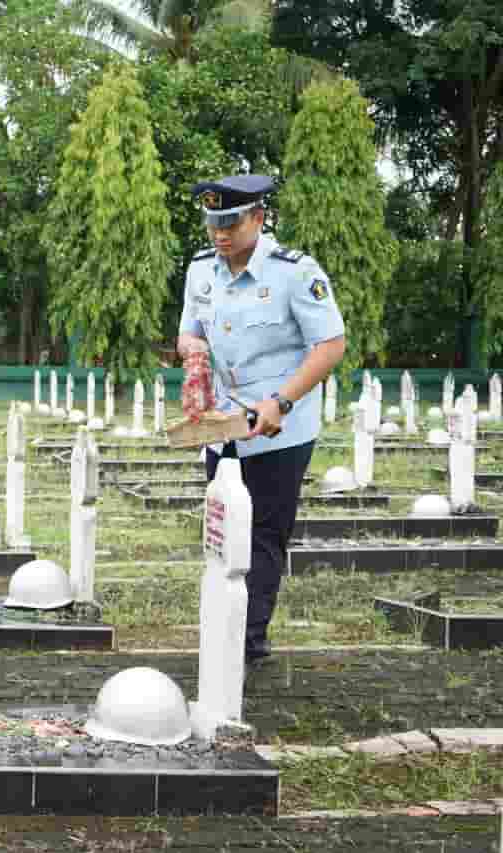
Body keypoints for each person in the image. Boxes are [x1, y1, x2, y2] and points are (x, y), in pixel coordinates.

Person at [177, 174, 346, 663]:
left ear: (258, 218)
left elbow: (330, 345)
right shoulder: (201, 271)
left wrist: (282, 401)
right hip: (222, 423)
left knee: (264, 535)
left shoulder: (294, 272)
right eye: (213, 223)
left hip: (280, 427)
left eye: (230, 222)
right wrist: (193, 355)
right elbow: (190, 332)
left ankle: (247, 642)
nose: (219, 233)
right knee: (223, 527)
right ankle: (222, 625)